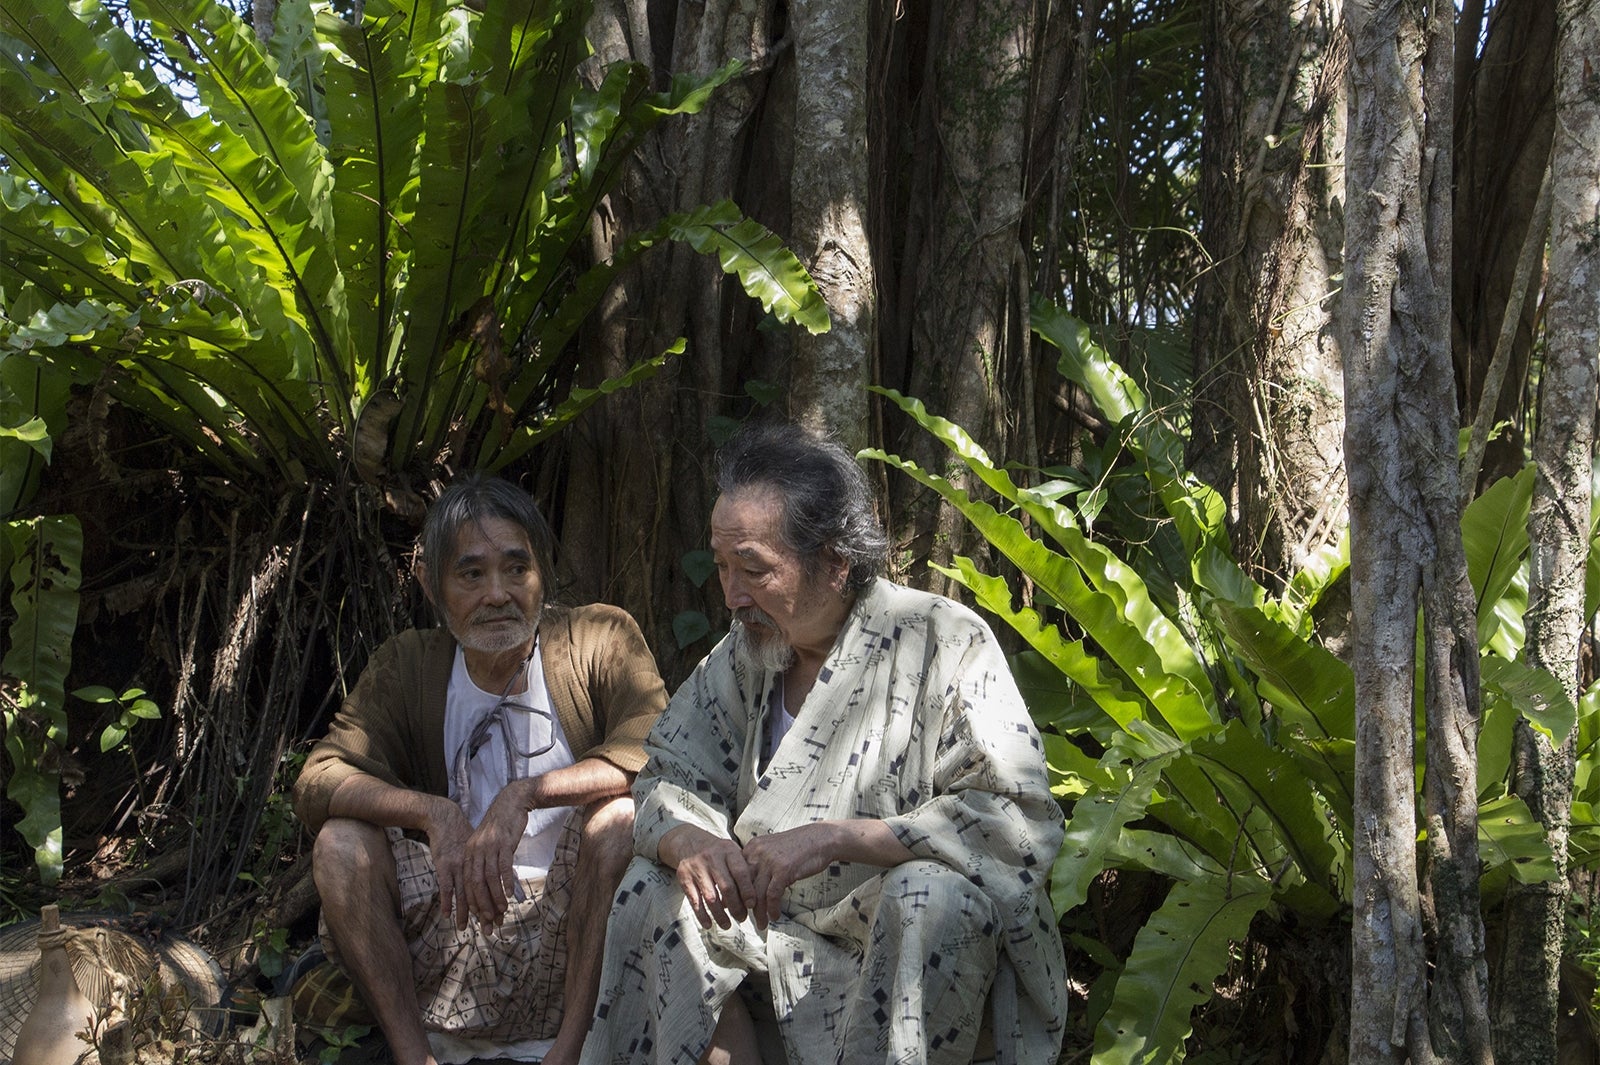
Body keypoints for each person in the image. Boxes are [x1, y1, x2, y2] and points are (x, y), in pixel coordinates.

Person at [580, 423, 1067, 1065]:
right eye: (723, 566)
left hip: (896, 943)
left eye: (753, 568)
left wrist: (833, 839)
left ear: (835, 564)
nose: (731, 594)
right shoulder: (743, 656)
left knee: (933, 893)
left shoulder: (942, 640)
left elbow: (1017, 819)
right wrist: (691, 842)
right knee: (655, 884)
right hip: (766, 940)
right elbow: (667, 777)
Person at [293, 476, 668, 1065]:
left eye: (517, 570)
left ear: (542, 573)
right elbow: (319, 778)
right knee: (340, 845)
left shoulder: (599, 638)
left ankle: (569, 1054)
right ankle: (416, 1057)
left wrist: (524, 796)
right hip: (453, 939)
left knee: (619, 820)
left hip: (572, 940)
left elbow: (654, 749)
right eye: (471, 575)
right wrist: (431, 811)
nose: (497, 594)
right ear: (431, 584)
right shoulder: (407, 665)